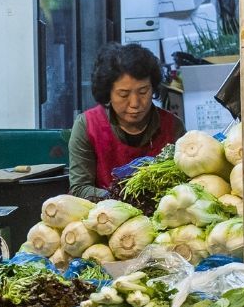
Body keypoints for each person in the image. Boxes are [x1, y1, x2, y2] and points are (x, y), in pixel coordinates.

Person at [68, 42, 185, 201]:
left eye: (143, 92)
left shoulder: (173, 127)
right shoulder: (88, 126)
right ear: (108, 93)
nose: (135, 103)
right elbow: (79, 188)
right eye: (123, 94)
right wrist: (124, 197)